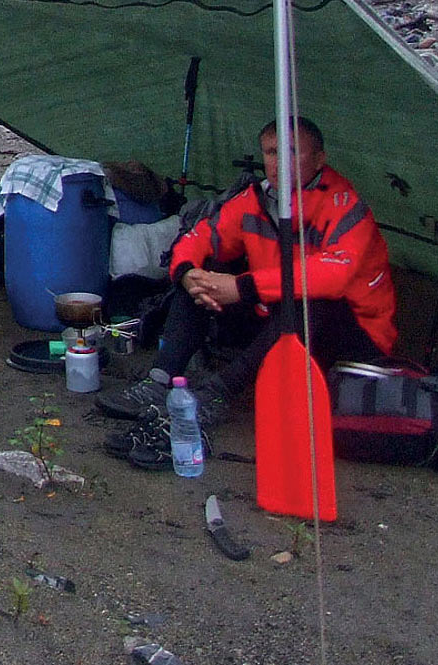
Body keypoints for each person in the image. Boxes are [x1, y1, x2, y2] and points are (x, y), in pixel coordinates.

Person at [100, 117, 398, 469]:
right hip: (276, 312)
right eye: (271, 152)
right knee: (203, 279)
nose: (278, 163)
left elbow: (332, 277)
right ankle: (159, 381)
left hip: (355, 336)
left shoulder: (345, 206)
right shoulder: (255, 199)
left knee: (310, 302)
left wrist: (242, 288)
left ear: (319, 159)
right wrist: (187, 273)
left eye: (291, 152)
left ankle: (218, 393)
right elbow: (199, 236)